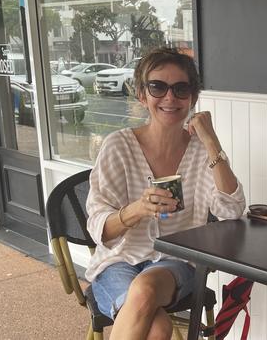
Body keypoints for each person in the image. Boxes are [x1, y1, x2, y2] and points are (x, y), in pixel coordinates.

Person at [85, 47, 246, 339]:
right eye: (158, 87)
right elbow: (100, 230)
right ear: (142, 95)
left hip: (176, 262)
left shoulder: (200, 152)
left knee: (145, 291)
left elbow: (231, 209)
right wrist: (138, 209)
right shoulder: (117, 146)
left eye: (181, 89)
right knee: (158, 328)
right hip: (118, 259)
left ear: (192, 98)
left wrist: (211, 142)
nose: (170, 98)